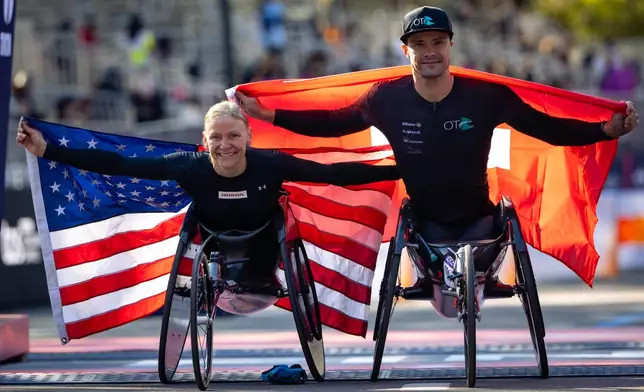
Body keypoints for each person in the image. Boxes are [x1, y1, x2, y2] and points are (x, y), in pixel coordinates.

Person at [235, 5, 639, 243]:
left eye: (437, 43)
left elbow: (547, 128)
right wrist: (270, 115)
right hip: (421, 221)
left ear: (450, 45)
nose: (429, 52)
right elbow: (333, 124)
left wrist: (603, 131)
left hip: (481, 218)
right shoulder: (385, 97)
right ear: (405, 50)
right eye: (419, 45)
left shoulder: (486, 96)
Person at [16, 100, 400, 280]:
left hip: (266, 244)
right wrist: (47, 149)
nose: (225, 145)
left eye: (234, 136)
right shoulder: (188, 166)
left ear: (249, 137)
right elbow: (120, 164)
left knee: (273, 237)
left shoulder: (272, 163)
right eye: (216, 137)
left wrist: (400, 169)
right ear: (204, 140)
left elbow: (331, 174)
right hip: (213, 242)